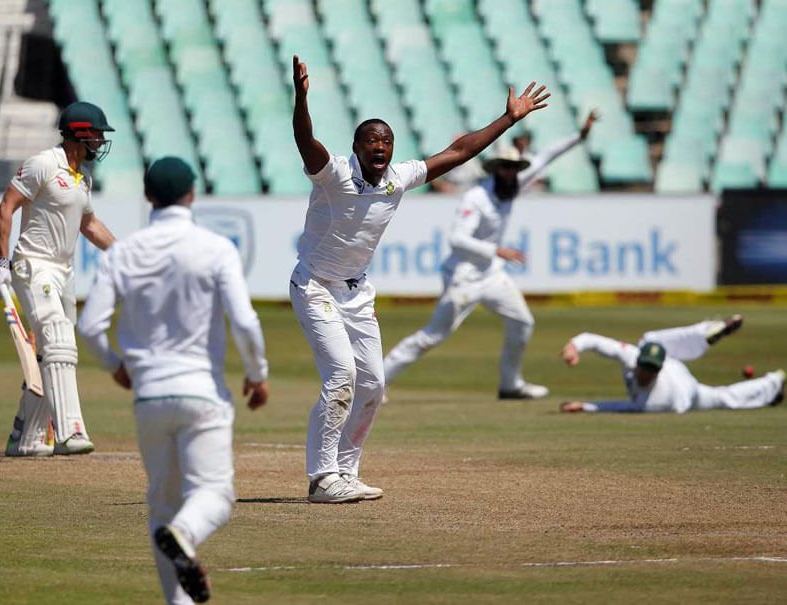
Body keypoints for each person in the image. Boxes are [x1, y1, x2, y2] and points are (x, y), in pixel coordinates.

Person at [290, 54, 549, 503]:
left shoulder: (399, 177)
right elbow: (304, 140)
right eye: (371, 140)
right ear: (356, 147)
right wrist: (301, 99)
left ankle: (346, 472)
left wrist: (508, 119)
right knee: (342, 375)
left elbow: (460, 152)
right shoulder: (334, 174)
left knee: (374, 385)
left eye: (386, 141)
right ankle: (322, 478)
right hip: (314, 286)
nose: (380, 147)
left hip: (356, 292)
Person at [78, 157, 270, 604]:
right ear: (192, 194)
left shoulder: (123, 252)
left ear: (148, 196)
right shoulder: (216, 248)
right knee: (214, 495)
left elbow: (88, 327)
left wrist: (114, 365)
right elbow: (244, 321)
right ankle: (185, 534)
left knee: (162, 506)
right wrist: (257, 374)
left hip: (149, 395)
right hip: (202, 392)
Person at [383, 111, 600, 400]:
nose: (511, 173)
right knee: (433, 336)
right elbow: (457, 239)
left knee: (522, 322)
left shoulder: (513, 185)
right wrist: (496, 250)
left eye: (514, 168)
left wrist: (580, 136)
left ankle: (510, 384)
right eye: (506, 168)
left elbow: (546, 156)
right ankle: (377, 382)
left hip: (491, 274)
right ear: (496, 169)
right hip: (462, 277)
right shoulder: (477, 198)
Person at [0, 101, 118, 456]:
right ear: (79, 134)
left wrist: (122, 253)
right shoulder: (43, 164)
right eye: (97, 135)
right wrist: (1, 262)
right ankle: (70, 431)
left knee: (51, 352)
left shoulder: (82, 178)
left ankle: (26, 437)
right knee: (58, 337)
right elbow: (6, 207)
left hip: (63, 272)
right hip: (34, 264)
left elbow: (89, 224)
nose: (101, 141)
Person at [559, 315, 785, 413]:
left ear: (658, 370)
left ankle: (704, 334)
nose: (645, 373)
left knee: (723, 398)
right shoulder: (632, 355)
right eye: (644, 367)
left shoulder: (655, 402)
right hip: (670, 362)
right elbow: (596, 341)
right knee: (649, 341)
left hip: (686, 393)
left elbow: (622, 407)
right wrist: (574, 346)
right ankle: (774, 383)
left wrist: (587, 406)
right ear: (638, 361)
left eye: (651, 370)